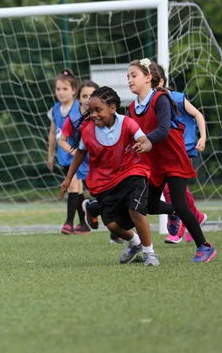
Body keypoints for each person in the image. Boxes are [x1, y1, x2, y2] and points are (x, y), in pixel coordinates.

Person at [127, 58, 217, 263]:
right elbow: (130, 134)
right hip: (153, 163)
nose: (130, 80)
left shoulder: (161, 99)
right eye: (128, 77)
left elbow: (163, 129)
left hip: (173, 158)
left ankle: (204, 246)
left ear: (148, 78)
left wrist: (145, 140)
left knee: (181, 202)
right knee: (148, 206)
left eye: (134, 75)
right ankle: (173, 212)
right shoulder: (132, 108)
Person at [60, 86, 159, 266]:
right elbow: (80, 152)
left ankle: (149, 253)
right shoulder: (88, 130)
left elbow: (145, 141)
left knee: (135, 210)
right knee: (112, 225)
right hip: (106, 182)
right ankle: (135, 242)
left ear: (112, 108)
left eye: (98, 110)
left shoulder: (127, 123)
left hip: (133, 173)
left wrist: (144, 146)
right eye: (91, 111)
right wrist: (68, 179)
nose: (94, 115)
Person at [157, 78, 209, 244]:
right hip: (165, 150)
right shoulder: (147, 102)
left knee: (170, 189)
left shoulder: (177, 98)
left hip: (182, 148)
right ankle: (196, 217)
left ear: (160, 81)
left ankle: (178, 226)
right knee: (178, 189)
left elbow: (198, 114)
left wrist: (203, 137)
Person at [58, 79, 99, 234]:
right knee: (74, 186)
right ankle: (70, 223)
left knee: (101, 194)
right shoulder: (73, 118)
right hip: (78, 162)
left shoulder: (103, 116)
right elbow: (62, 140)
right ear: (79, 98)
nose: (88, 100)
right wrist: (76, 153)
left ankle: (89, 216)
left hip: (98, 162)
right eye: (84, 96)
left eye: (91, 96)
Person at [47, 68, 84, 234]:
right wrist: (50, 155)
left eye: (65, 89)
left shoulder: (79, 108)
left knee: (72, 186)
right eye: (58, 89)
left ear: (74, 90)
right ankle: (84, 223)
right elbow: (52, 134)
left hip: (78, 155)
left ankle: (69, 223)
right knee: (78, 189)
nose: (61, 92)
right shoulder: (55, 109)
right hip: (63, 156)